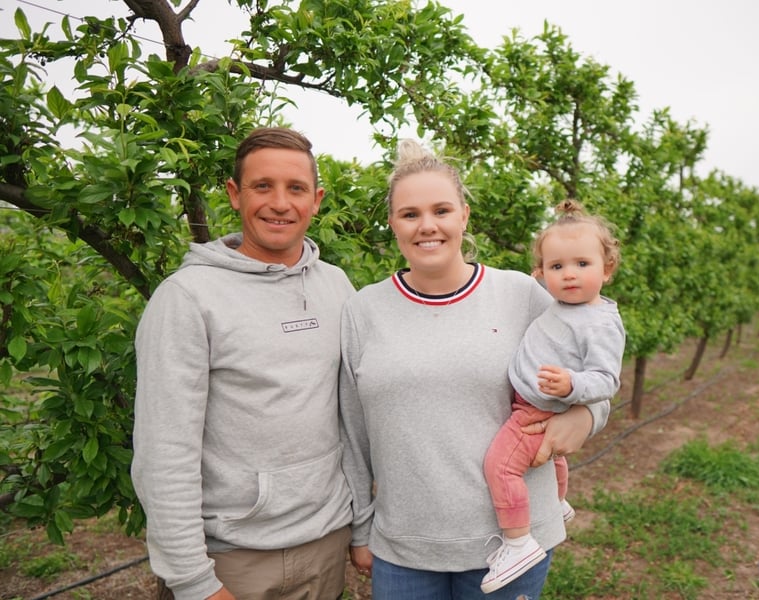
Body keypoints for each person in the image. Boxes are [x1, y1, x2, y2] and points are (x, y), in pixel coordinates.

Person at [338, 140, 611, 599]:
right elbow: (353, 432)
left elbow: (595, 374)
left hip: (512, 544)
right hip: (404, 546)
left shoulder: (522, 295)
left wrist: (585, 417)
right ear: (393, 223)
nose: (427, 225)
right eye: (410, 214)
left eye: (441, 210)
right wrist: (361, 528)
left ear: (464, 216)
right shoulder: (363, 310)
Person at [131, 127, 355, 600]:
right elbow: (164, 450)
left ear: (316, 200)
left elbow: (353, 417)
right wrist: (193, 580)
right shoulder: (188, 298)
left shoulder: (336, 286)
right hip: (232, 558)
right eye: (262, 186)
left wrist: (362, 527)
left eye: (296, 188)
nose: (280, 203)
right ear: (235, 194)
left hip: (327, 541)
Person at [480, 199, 626, 593]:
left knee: (501, 466)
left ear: (607, 269)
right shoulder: (564, 305)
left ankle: (517, 542)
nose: (570, 274)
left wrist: (572, 385)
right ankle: (557, 502)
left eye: (582, 264)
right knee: (555, 460)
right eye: (557, 267)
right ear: (541, 273)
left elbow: (607, 379)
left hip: (535, 411)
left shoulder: (599, 323)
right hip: (533, 402)